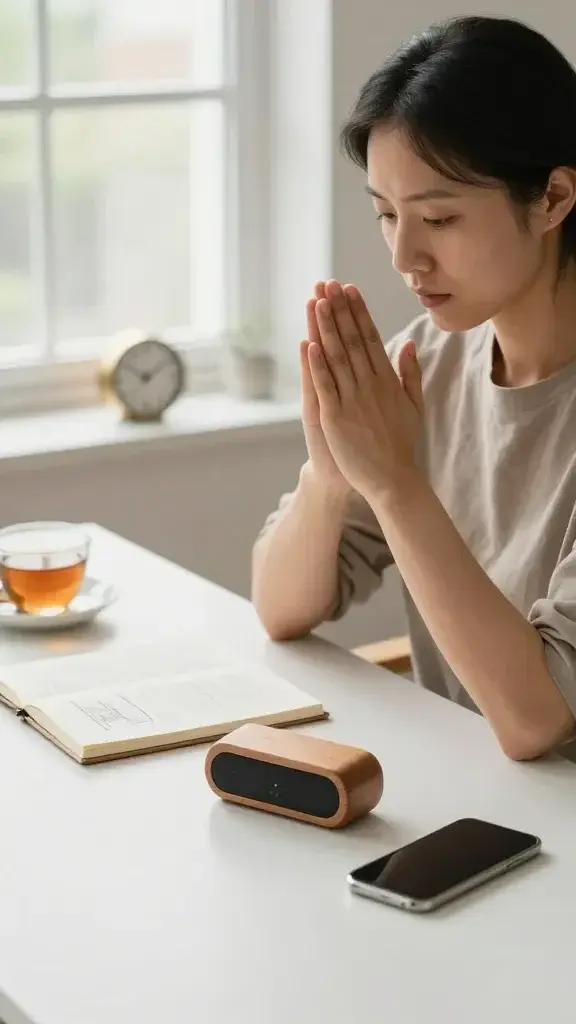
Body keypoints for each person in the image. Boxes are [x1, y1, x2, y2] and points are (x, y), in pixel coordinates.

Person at [251, 15, 576, 762]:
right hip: (472, 802)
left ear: (553, 198)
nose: (405, 256)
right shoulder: (423, 362)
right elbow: (281, 606)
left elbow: (538, 720)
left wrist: (395, 483)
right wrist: (331, 477)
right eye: (386, 215)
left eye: (439, 217)